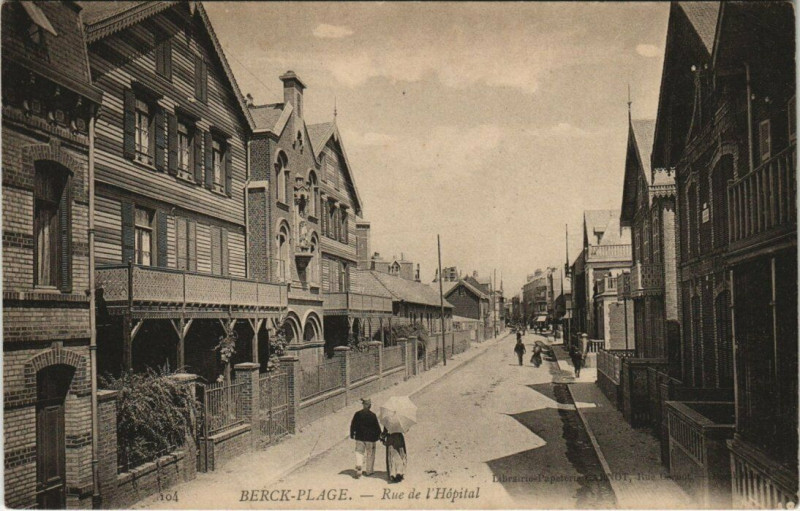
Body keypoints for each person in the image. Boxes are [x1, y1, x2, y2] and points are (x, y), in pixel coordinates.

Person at [349, 398, 382, 478]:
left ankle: (359, 466)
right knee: (370, 454)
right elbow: (377, 427)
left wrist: (352, 434)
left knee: (359, 452)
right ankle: (369, 471)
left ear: (363, 405)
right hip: (370, 439)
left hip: (359, 437)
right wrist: (379, 436)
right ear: (370, 406)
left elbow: (353, 425)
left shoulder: (357, 414)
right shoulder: (373, 415)